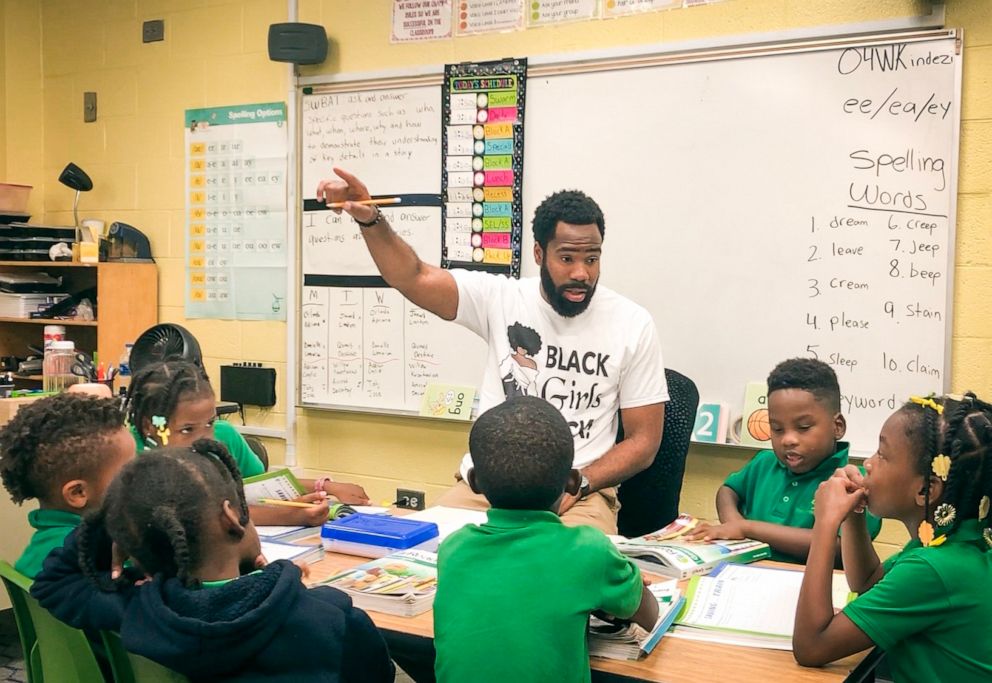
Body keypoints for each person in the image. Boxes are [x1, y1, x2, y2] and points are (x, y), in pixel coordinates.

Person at [316, 168, 668, 534]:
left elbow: (643, 441)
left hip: (576, 493)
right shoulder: (500, 299)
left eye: (591, 259)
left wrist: (582, 482)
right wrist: (371, 219)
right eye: (567, 259)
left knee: (575, 579)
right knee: (425, 555)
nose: (581, 273)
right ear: (538, 253)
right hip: (487, 489)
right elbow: (413, 276)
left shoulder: (632, 323)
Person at [31, 439, 395, 683]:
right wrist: (279, 583)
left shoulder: (135, 610)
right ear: (232, 516)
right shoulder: (328, 617)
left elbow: (54, 582)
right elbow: (378, 674)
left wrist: (113, 526)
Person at [433, 397, 659, 683]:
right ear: (573, 483)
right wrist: (626, 582)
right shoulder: (589, 550)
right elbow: (651, 616)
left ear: (475, 481)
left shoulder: (453, 548)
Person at [793, 392, 992, 680]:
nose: (869, 463)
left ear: (925, 491)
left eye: (883, 455)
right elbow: (868, 581)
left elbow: (812, 647)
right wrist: (853, 516)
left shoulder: (934, 569)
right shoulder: (953, 540)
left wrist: (825, 523)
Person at [125, 360, 369, 527]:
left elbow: (258, 489)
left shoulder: (224, 436)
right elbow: (198, 516)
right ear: (151, 426)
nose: (205, 438)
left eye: (209, 422)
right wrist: (289, 516)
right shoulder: (128, 454)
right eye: (187, 429)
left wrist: (327, 487)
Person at [686, 358, 882, 562]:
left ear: (837, 426)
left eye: (803, 427)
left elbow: (839, 548)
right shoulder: (764, 462)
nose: (788, 439)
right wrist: (733, 523)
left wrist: (747, 528)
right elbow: (728, 491)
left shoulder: (855, 482)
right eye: (777, 428)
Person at [0, 393, 132, 578]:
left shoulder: (46, 546)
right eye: (129, 474)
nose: (141, 480)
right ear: (78, 493)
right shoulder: (90, 560)